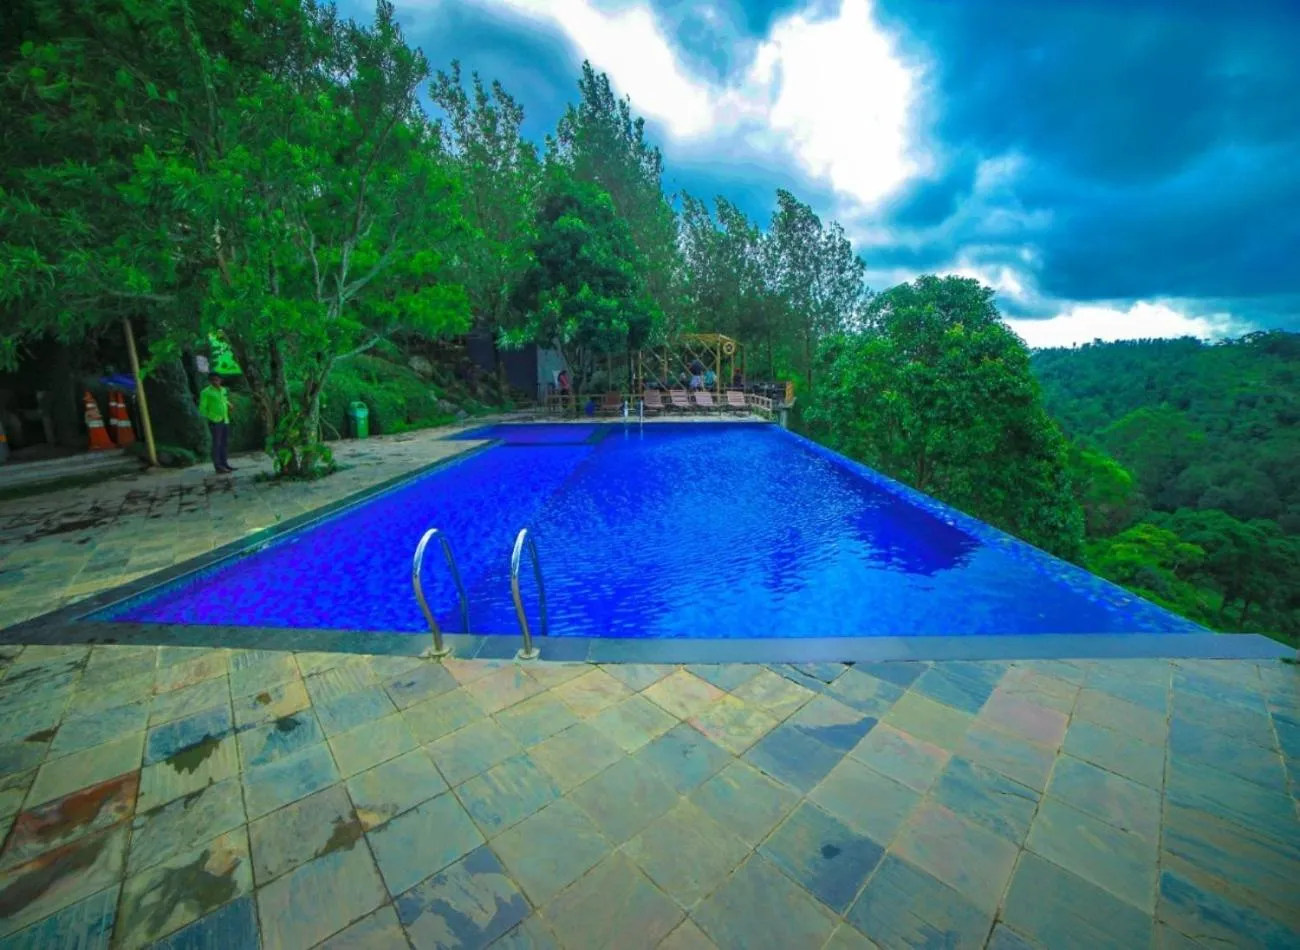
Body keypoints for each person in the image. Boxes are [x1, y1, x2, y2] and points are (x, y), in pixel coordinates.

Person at [198, 373, 235, 474]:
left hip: (225, 419)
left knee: (224, 443)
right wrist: (211, 418)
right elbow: (202, 409)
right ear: (210, 381)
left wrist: (229, 404)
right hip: (215, 421)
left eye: (217, 380)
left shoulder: (223, 390)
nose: (215, 382)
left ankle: (224, 463)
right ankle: (218, 466)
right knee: (217, 444)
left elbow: (223, 400)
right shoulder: (206, 392)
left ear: (221, 380)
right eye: (213, 380)